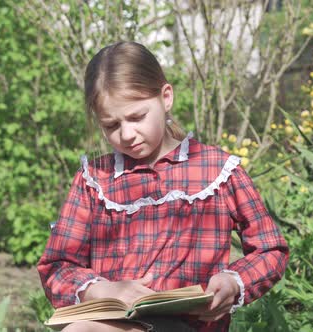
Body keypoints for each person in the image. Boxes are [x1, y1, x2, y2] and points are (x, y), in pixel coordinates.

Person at [37, 41, 289, 332]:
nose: (127, 134)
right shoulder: (95, 180)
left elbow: (271, 249)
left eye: (137, 117)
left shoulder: (218, 171)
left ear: (166, 97)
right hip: (115, 322)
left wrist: (234, 282)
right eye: (111, 126)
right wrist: (103, 291)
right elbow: (56, 266)